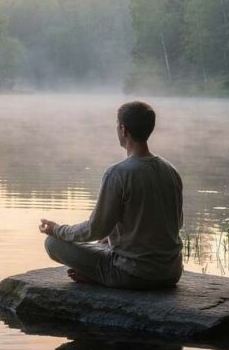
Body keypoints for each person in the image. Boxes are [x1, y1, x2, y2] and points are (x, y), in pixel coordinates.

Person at [39, 101, 183, 289]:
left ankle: (100, 277)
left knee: (53, 244)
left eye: (117, 124)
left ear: (123, 129)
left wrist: (57, 230)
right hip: (171, 273)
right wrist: (112, 237)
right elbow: (176, 224)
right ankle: (101, 273)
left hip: (133, 273)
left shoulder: (118, 173)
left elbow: (94, 229)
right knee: (104, 243)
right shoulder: (170, 170)